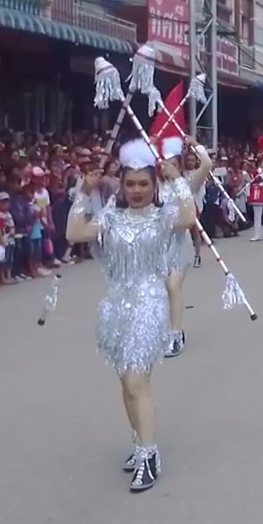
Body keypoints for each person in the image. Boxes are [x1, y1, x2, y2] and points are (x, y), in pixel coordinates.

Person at [64, 138, 197, 493]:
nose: (137, 190)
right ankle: (140, 442)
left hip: (150, 305)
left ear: (154, 185)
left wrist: (176, 180)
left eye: (144, 183)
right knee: (126, 384)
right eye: (130, 183)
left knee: (138, 382)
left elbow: (189, 216)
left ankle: (150, 455)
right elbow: (74, 232)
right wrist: (82, 192)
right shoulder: (110, 218)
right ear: (121, 185)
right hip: (114, 309)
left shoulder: (163, 216)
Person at [158, 136, 213, 358]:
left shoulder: (189, 183)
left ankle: (175, 334)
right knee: (160, 291)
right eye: (164, 162)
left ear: (179, 165)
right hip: (158, 246)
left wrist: (195, 145)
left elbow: (207, 165)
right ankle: (165, 328)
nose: (167, 167)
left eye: (172, 163)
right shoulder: (153, 186)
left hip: (180, 244)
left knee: (173, 285)